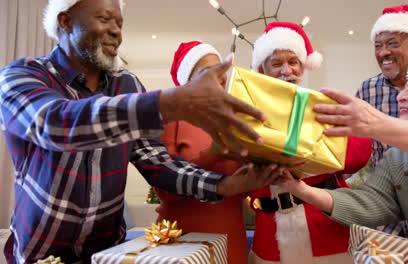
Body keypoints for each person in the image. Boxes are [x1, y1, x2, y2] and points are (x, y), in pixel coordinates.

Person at [0, 0, 283, 262]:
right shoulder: (22, 76)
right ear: (65, 21)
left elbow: (155, 160)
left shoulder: (126, 84)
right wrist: (168, 102)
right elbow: (53, 125)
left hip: (107, 253)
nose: (115, 31)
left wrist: (224, 185)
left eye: (119, 24)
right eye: (104, 18)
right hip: (38, 253)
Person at [280, 47, 408, 251]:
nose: (401, 97)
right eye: (404, 88)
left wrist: (378, 125)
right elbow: (373, 202)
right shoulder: (397, 157)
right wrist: (302, 190)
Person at [247, 21, 372, 264]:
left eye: (293, 62)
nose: (287, 70)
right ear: (262, 69)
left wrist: (308, 148)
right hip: (270, 236)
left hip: (325, 229)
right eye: (276, 63)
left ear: (303, 66)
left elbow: (361, 152)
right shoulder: (249, 114)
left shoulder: (323, 104)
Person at [155, 41, 257, 264]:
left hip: (231, 235)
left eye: (220, 69)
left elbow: (247, 189)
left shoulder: (235, 119)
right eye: (205, 72)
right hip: (182, 239)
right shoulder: (170, 120)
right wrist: (215, 152)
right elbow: (166, 193)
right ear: (188, 83)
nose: (218, 77)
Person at [356, 4, 408, 167]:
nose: (383, 53)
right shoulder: (367, 90)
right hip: (383, 188)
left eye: (393, 44)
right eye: (378, 46)